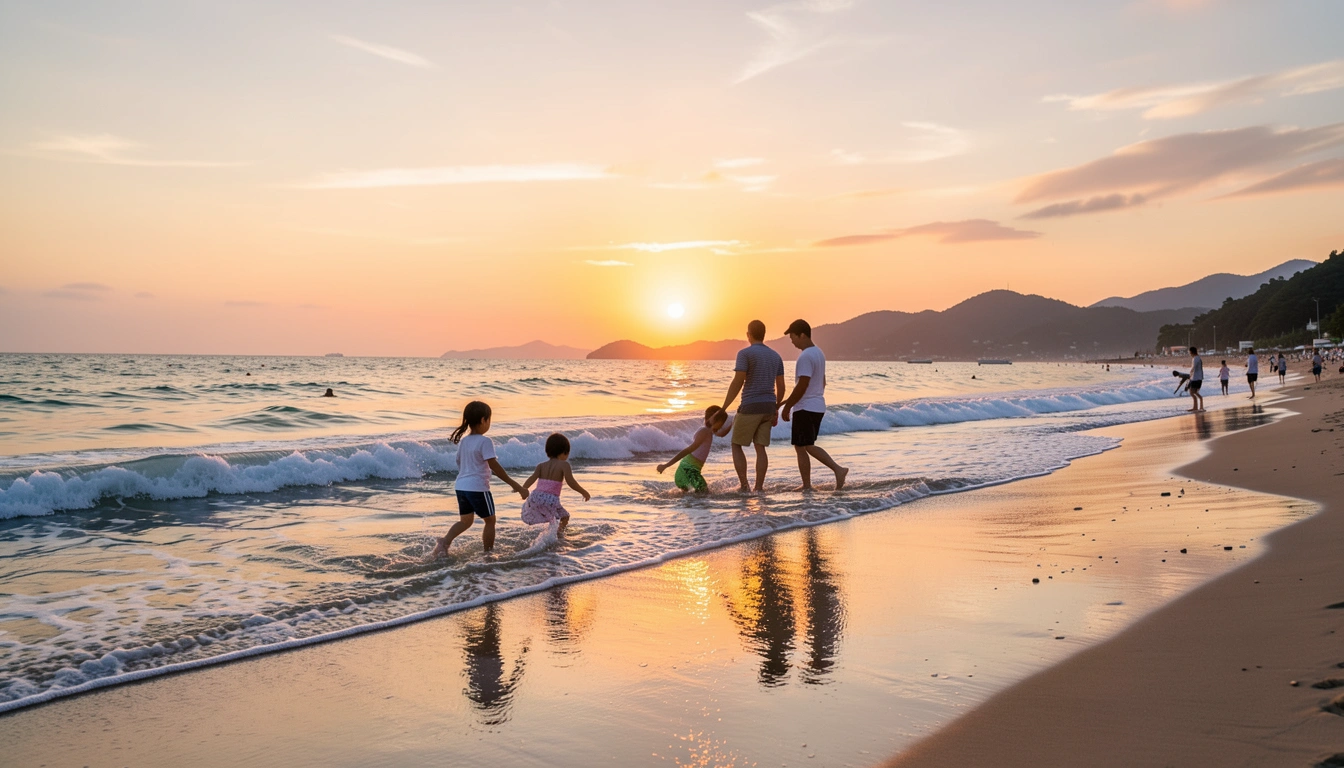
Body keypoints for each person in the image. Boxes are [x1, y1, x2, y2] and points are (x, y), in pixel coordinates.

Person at [428, 401, 528, 559]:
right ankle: (488, 553)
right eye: (489, 420)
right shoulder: (485, 441)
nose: (489, 423)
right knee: (490, 521)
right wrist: (516, 485)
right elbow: (494, 465)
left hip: (461, 486)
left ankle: (444, 542)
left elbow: (461, 463)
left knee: (465, 522)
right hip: (478, 488)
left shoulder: (464, 442)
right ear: (483, 420)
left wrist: (479, 472)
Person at [777, 319, 848, 491]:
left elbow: (803, 384)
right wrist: (789, 401)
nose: (792, 341)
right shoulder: (819, 353)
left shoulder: (805, 356)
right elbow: (821, 382)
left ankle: (838, 470)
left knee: (805, 446)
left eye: (793, 337)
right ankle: (807, 485)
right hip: (817, 405)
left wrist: (787, 407)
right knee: (801, 446)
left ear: (802, 335)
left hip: (806, 408)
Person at [720, 320, 785, 493]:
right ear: (764, 334)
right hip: (769, 407)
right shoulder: (775, 356)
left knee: (736, 444)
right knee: (760, 448)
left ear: (748, 334)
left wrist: (724, 407)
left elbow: (738, 381)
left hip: (750, 405)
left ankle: (744, 486)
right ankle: (759, 488)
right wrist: (776, 408)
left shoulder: (744, 354)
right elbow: (781, 386)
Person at [519, 433, 589, 531]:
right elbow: (571, 482)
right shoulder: (564, 465)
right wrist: (583, 492)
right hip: (551, 499)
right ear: (564, 452)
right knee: (565, 517)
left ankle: (550, 534)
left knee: (551, 518)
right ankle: (557, 535)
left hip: (536, 496)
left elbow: (531, 478)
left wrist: (523, 490)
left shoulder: (541, 465)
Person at [657, 406, 732, 493]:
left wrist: (733, 423)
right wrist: (666, 465)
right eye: (721, 422)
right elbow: (688, 450)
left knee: (696, 496)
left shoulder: (709, 430)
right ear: (714, 419)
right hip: (688, 471)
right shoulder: (704, 432)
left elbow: (722, 434)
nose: (722, 425)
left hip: (690, 470)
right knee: (704, 493)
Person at [1187, 346, 1204, 412]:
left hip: (1195, 378)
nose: (1189, 354)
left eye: (1189, 352)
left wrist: (1190, 374)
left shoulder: (1195, 358)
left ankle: (1195, 407)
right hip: (1199, 377)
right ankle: (1200, 406)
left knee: (1191, 392)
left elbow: (1193, 368)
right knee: (1195, 392)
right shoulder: (1198, 358)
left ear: (1192, 352)